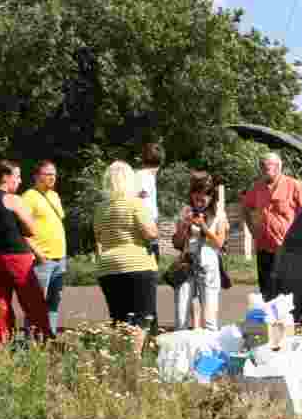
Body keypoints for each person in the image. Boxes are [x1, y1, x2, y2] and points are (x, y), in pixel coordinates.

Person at [0, 159, 52, 346]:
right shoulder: (13, 199)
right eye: (17, 176)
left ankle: (3, 344)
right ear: (6, 177)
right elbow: (31, 229)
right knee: (33, 302)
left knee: (0, 304)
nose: (20, 181)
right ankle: (42, 342)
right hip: (17, 257)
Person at [93, 160, 159, 336]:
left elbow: (98, 237)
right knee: (141, 319)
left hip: (108, 268)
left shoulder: (100, 208)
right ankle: (135, 359)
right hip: (137, 265)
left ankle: (120, 358)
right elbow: (151, 233)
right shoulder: (135, 204)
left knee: (118, 320)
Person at [240, 152, 302, 300]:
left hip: (285, 248)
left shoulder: (293, 185)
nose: (263, 169)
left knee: (284, 291)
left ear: (278, 167)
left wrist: (301, 234)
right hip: (263, 247)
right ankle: (268, 320)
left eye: (266, 166)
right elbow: (245, 208)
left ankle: (284, 321)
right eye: (261, 166)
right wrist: (252, 229)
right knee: (266, 289)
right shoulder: (257, 187)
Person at [171, 171, 229, 330]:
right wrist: (184, 226)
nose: (200, 201)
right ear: (191, 195)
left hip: (208, 266)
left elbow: (219, 243)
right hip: (187, 264)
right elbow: (177, 243)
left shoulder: (219, 214)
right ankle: (180, 351)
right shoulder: (185, 211)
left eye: (204, 197)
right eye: (196, 197)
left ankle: (210, 351)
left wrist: (204, 227)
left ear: (211, 197)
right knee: (181, 315)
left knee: (210, 319)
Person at [20, 159, 67, 338]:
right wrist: (37, 253)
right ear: (37, 176)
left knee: (54, 302)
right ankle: (30, 341)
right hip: (42, 259)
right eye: (48, 174)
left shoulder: (54, 196)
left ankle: (49, 338)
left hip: (60, 257)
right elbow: (21, 230)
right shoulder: (29, 197)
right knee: (36, 303)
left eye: (54, 174)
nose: (52, 177)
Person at [136, 143, 162, 260]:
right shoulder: (147, 176)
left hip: (144, 223)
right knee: (152, 260)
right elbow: (141, 196)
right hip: (147, 224)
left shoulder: (139, 175)